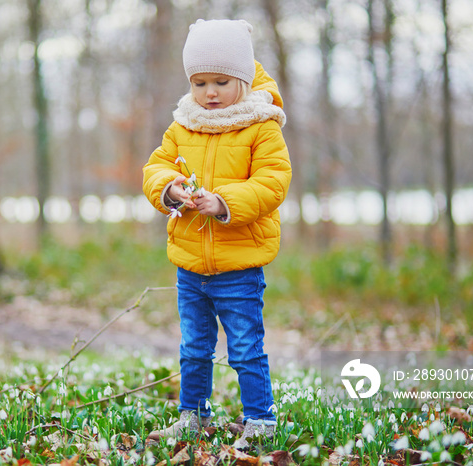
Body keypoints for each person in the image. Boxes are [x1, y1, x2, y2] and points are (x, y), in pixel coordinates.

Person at [142, 19, 292, 449]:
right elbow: (157, 167)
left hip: (238, 265)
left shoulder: (261, 126)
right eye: (200, 82)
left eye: (221, 82)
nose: (209, 93)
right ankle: (194, 414)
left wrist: (224, 202)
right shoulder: (183, 124)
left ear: (242, 80)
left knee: (245, 346)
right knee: (194, 347)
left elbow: (272, 181)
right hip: (190, 265)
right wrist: (170, 190)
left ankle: (260, 420)